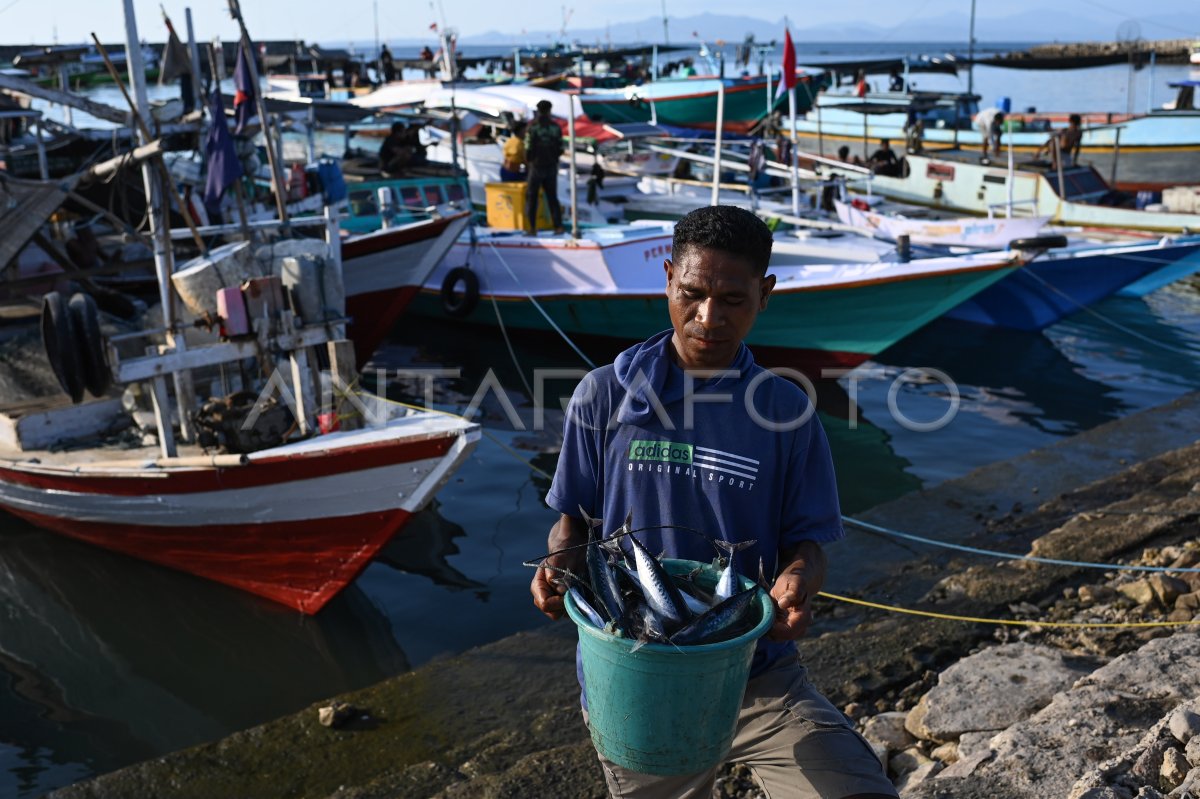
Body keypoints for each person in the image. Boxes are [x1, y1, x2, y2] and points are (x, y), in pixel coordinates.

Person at [530, 205, 900, 799]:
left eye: (732, 299)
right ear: (669, 278)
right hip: (637, 677)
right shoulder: (602, 394)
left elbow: (806, 545)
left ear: (766, 294)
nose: (708, 317)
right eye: (692, 292)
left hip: (756, 674)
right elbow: (571, 524)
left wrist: (798, 583)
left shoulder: (787, 411)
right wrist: (559, 564)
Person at [524, 99, 565, 235]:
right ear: (549, 110)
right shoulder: (555, 127)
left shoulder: (533, 127)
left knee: (532, 197)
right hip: (551, 166)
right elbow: (560, 147)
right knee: (552, 197)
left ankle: (532, 228)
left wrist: (529, 161)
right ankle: (558, 227)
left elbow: (528, 148)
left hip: (536, 166)